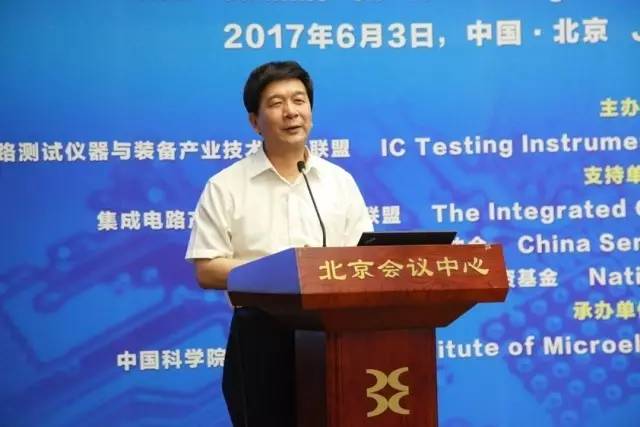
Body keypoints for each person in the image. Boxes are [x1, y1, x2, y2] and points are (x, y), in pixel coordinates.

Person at [185, 61, 373, 426]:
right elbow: (207, 269)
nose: (291, 112)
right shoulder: (226, 186)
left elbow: (363, 259)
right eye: (276, 103)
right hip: (260, 336)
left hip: (335, 332)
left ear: (311, 112)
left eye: (299, 100)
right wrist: (283, 273)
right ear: (254, 122)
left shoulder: (340, 182)